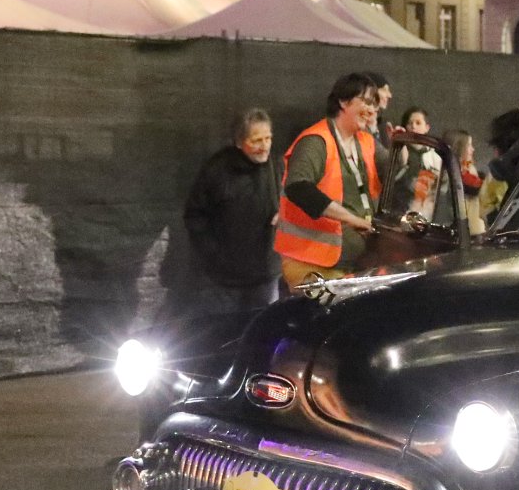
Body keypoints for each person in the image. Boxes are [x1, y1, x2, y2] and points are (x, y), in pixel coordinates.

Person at [275, 74, 381, 286]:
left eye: (374, 105)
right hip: (312, 265)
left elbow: (396, 174)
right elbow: (298, 187)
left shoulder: (366, 141)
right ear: (343, 101)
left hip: (353, 265)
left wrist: (403, 151)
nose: (371, 110)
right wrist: (351, 219)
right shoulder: (316, 141)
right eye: (366, 102)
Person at [180, 108, 282, 315]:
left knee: (263, 328)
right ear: (239, 142)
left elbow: (290, 199)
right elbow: (195, 215)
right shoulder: (217, 170)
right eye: (256, 141)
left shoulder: (276, 165)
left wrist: (284, 214)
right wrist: (214, 255)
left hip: (266, 272)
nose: (265, 146)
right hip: (226, 279)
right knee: (226, 328)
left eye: (268, 138)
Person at [393, 106, 443, 221]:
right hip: (401, 210)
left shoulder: (436, 156)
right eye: (410, 123)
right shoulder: (400, 151)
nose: (413, 126)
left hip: (428, 212)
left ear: (427, 128)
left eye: (418, 123)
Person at [442, 128, 485, 234]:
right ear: (458, 147)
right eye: (469, 145)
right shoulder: (448, 175)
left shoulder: (470, 170)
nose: (473, 149)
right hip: (459, 231)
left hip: (473, 229)